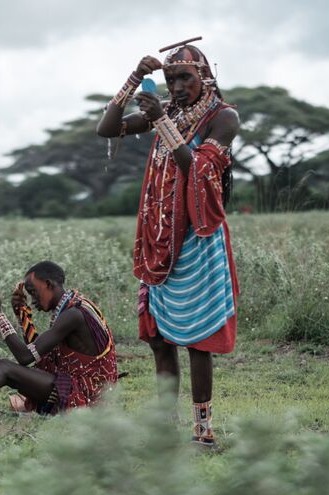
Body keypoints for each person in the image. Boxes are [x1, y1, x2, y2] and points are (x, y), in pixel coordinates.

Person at [97, 43, 240, 447]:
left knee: (198, 341)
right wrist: (130, 80)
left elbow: (197, 169)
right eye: (170, 79)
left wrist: (161, 121)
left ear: (205, 77)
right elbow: (106, 128)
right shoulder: (169, 111)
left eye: (185, 79)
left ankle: (203, 431)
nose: (176, 87)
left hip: (196, 239)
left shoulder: (223, 117)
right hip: (159, 237)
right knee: (159, 338)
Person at [0, 261, 117, 414]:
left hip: (86, 394)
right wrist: (21, 312)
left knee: (4, 368)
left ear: (48, 284)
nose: (32, 300)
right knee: (6, 372)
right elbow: (38, 353)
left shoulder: (73, 314)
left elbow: (26, 357)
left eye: (33, 292)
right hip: (79, 386)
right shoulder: (73, 305)